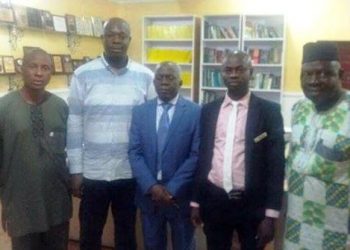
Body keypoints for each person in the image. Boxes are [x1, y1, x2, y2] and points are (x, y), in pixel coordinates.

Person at [67, 17, 155, 250]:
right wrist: (75, 169)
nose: (116, 39)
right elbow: (74, 122)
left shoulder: (146, 76)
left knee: (126, 236)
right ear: (103, 38)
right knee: (89, 234)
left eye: (122, 35)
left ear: (129, 40)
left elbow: (151, 126)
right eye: (110, 35)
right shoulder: (82, 74)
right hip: (93, 172)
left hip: (129, 172)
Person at [191, 51, 285, 250]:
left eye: (240, 69)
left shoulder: (269, 111)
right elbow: (203, 157)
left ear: (251, 72)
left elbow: (276, 165)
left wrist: (271, 215)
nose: (233, 74)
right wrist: (196, 201)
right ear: (222, 73)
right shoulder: (208, 111)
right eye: (228, 70)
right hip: (215, 200)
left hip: (252, 204)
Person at [0, 48, 72, 250]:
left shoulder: (60, 106)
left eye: (45, 68)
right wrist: (5, 203)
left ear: (51, 72)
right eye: (33, 66)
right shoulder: (4, 108)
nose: (39, 73)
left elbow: (68, 151)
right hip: (21, 203)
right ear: (21, 68)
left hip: (56, 202)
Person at [284, 42, 350, 249]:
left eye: (323, 73)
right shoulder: (299, 108)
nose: (314, 81)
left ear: (340, 74)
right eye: (307, 74)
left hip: (337, 235)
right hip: (295, 230)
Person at [128, 61, 200, 250]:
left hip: (180, 198)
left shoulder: (195, 112)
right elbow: (134, 152)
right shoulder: (140, 112)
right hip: (149, 197)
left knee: (184, 246)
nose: (164, 82)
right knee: (152, 246)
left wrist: (172, 189)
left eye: (170, 78)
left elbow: (196, 155)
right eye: (160, 78)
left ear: (181, 82)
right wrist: (152, 186)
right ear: (154, 82)